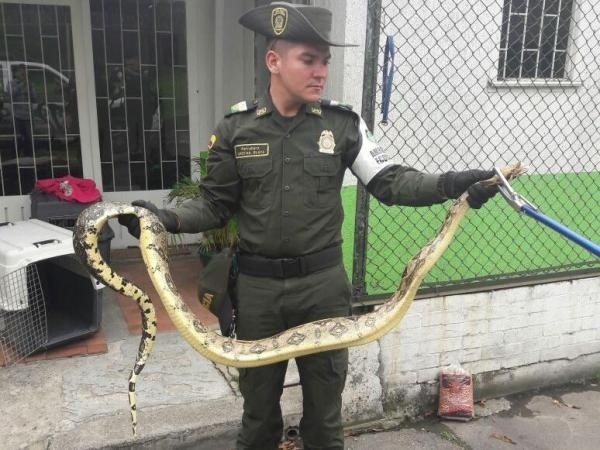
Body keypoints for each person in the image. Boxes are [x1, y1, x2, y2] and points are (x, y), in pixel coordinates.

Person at [119, 2, 499, 449]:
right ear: (273, 61)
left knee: (325, 415)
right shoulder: (237, 128)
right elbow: (215, 205)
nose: (321, 72)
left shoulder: (342, 125)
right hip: (258, 293)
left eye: (325, 61)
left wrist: (452, 184)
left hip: (323, 290)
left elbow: (390, 181)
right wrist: (164, 219)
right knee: (258, 414)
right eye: (308, 60)